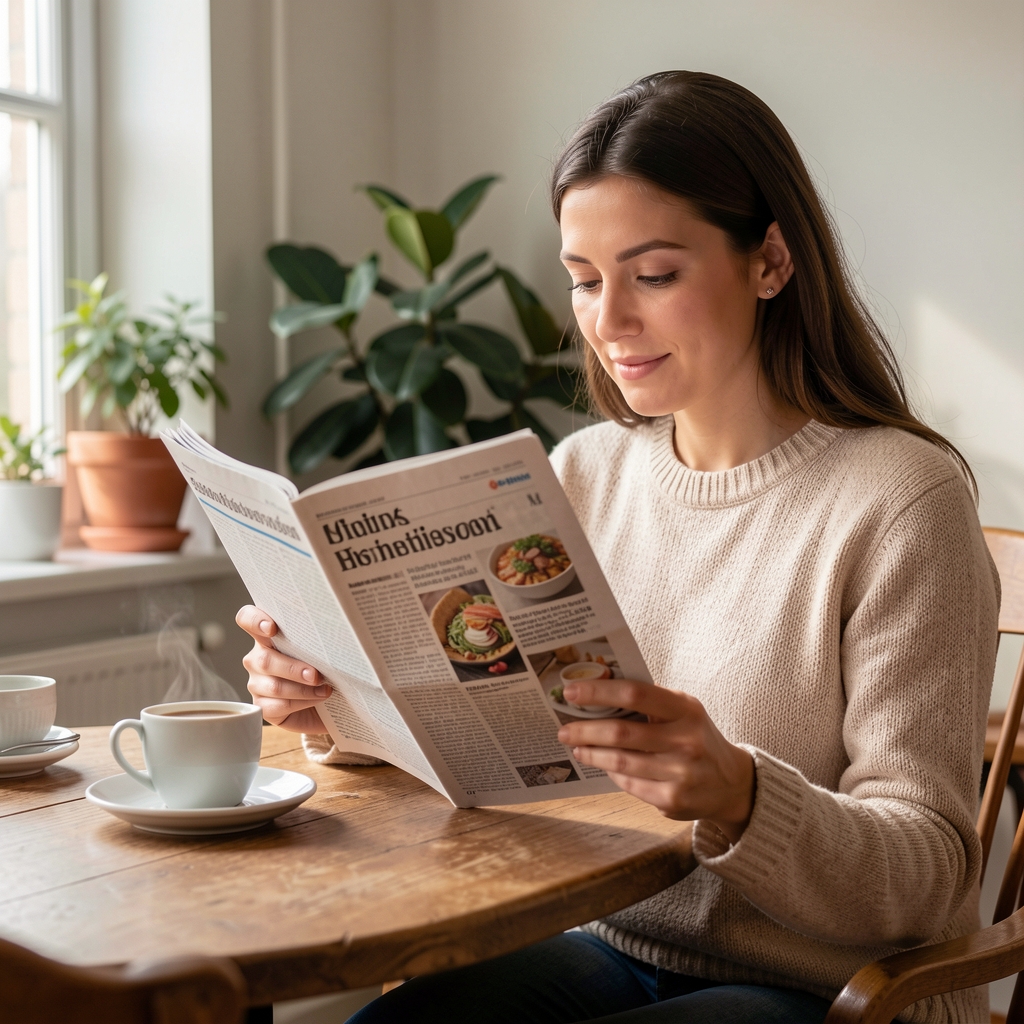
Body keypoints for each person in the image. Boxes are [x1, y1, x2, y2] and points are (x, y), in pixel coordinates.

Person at [237, 71, 999, 1024]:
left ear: (770, 261)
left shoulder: (899, 500)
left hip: (823, 991)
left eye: (655, 274)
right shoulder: (584, 470)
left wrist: (742, 795)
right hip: (610, 942)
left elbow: (928, 874)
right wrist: (336, 706)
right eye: (586, 281)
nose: (608, 323)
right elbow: (502, 748)